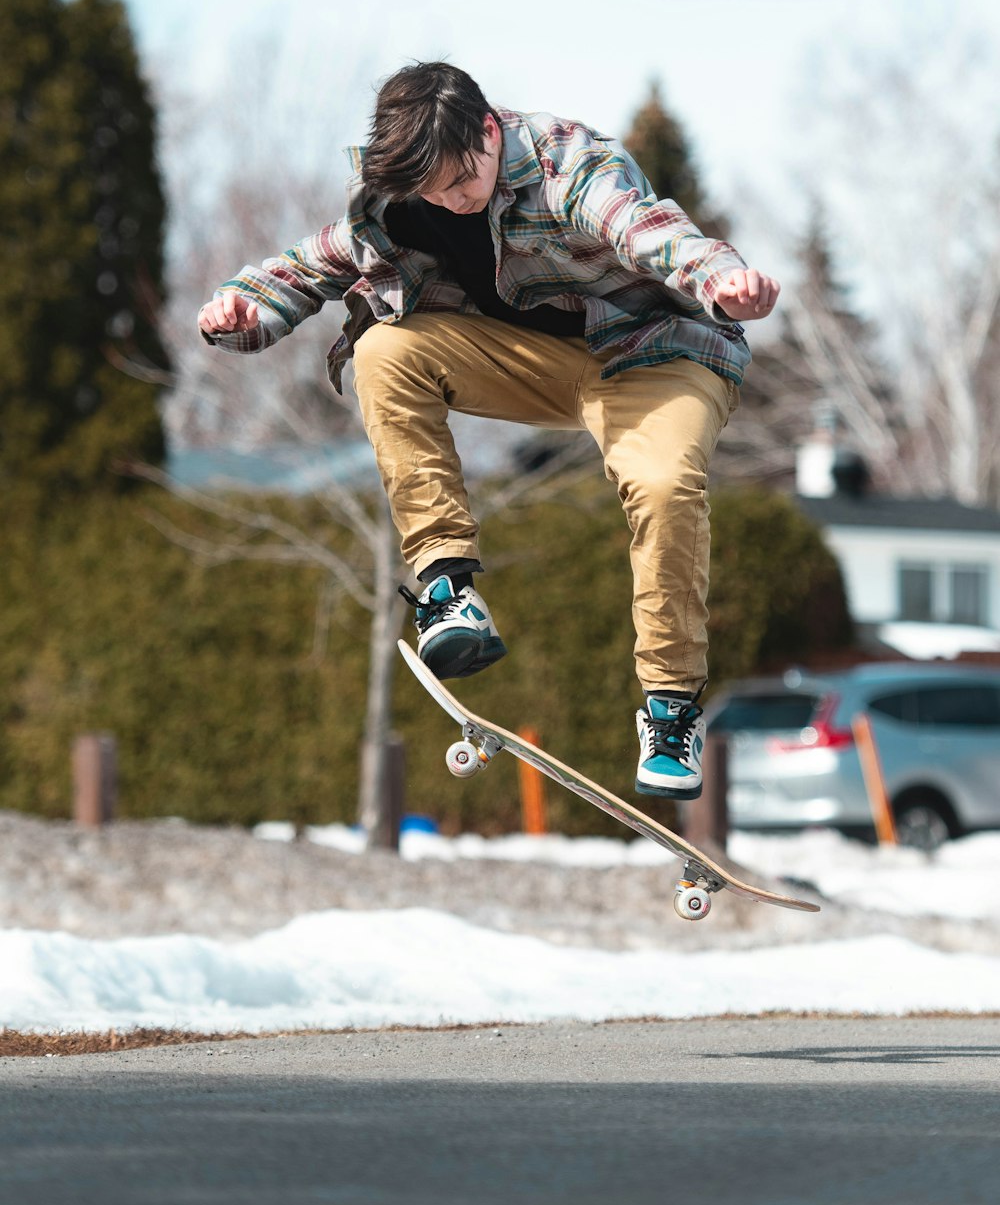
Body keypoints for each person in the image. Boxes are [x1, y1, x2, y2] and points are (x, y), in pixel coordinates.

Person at [197, 62, 779, 801]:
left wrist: (721, 277)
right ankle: (447, 588)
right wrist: (243, 307)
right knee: (383, 350)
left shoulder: (573, 167)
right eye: (434, 191)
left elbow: (648, 229)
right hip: (534, 364)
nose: (454, 200)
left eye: (464, 181)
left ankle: (670, 707)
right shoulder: (396, 197)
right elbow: (316, 261)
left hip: (655, 355)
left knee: (663, 486)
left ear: (490, 131)